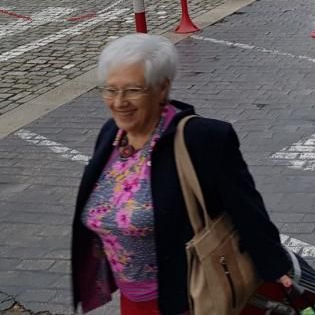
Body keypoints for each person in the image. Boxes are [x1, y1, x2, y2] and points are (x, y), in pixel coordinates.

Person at [72, 34, 292, 314]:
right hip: (133, 301)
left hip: (191, 297)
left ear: (161, 89)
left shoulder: (201, 139)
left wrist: (276, 267)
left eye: (133, 90)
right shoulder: (111, 135)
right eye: (110, 90)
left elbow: (245, 207)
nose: (119, 102)